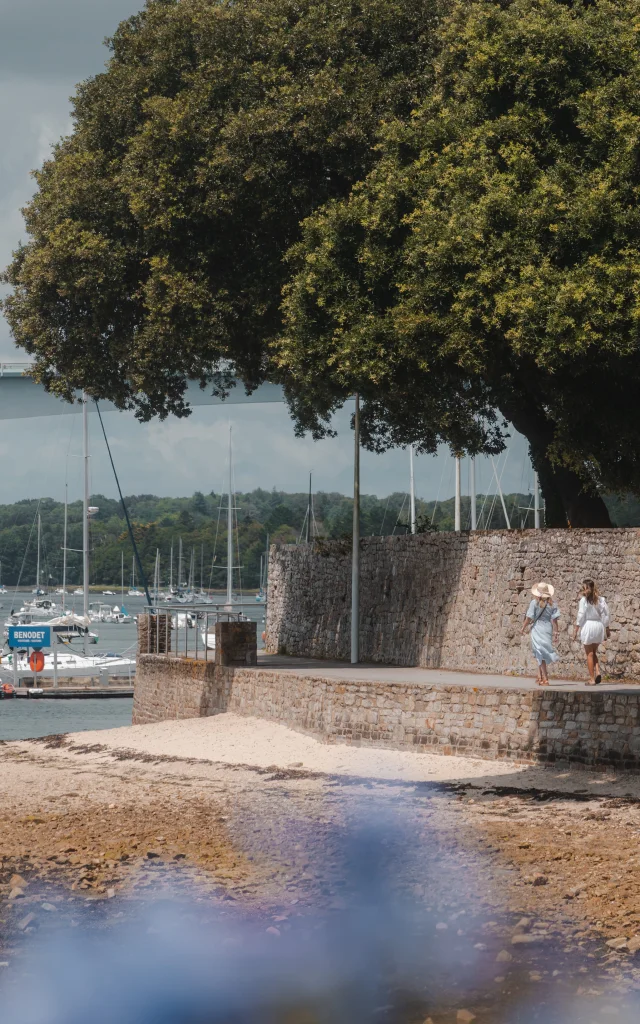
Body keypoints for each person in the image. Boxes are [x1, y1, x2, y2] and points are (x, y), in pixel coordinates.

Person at [522, 581, 560, 686]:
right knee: (540, 651)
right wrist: (556, 632)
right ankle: (539, 676)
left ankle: (545, 679)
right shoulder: (553, 604)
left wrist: (523, 628)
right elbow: (555, 620)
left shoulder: (534, 603)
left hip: (537, 628)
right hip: (548, 628)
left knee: (540, 652)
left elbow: (529, 617)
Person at [574, 579, 610, 685]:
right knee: (594, 652)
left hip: (588, 626)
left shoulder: (584, 601)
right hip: (598, 626)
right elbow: (605, 614)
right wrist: (607, 628)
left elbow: (580, 615)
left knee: (589, 654)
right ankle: (597, 671)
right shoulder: (600, 600)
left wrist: (576, 629)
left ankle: (592, 679)